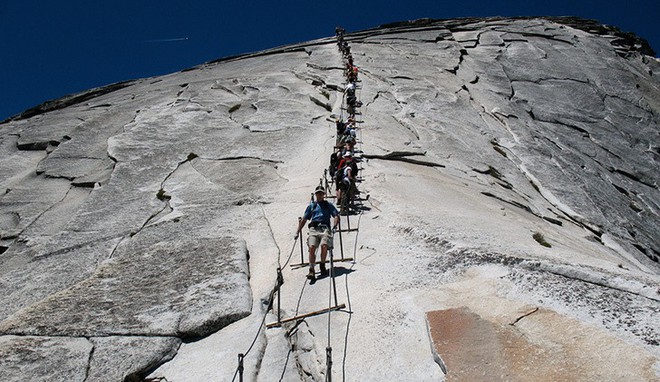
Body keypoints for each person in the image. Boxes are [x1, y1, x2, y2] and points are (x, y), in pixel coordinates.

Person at [295, 186, 340, 281]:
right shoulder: (312, 206)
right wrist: (298, 231)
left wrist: (335, 226)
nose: (319, 195)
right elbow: (304, 219)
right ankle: (311, 269)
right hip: (314, 228)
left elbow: (336, 215)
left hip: (324, 228)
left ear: (323, 195)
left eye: (321, 193)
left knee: (324, 245)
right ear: (315, 195)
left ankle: (322, 264)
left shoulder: (328, 205)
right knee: (312, 247)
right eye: (318, 194)